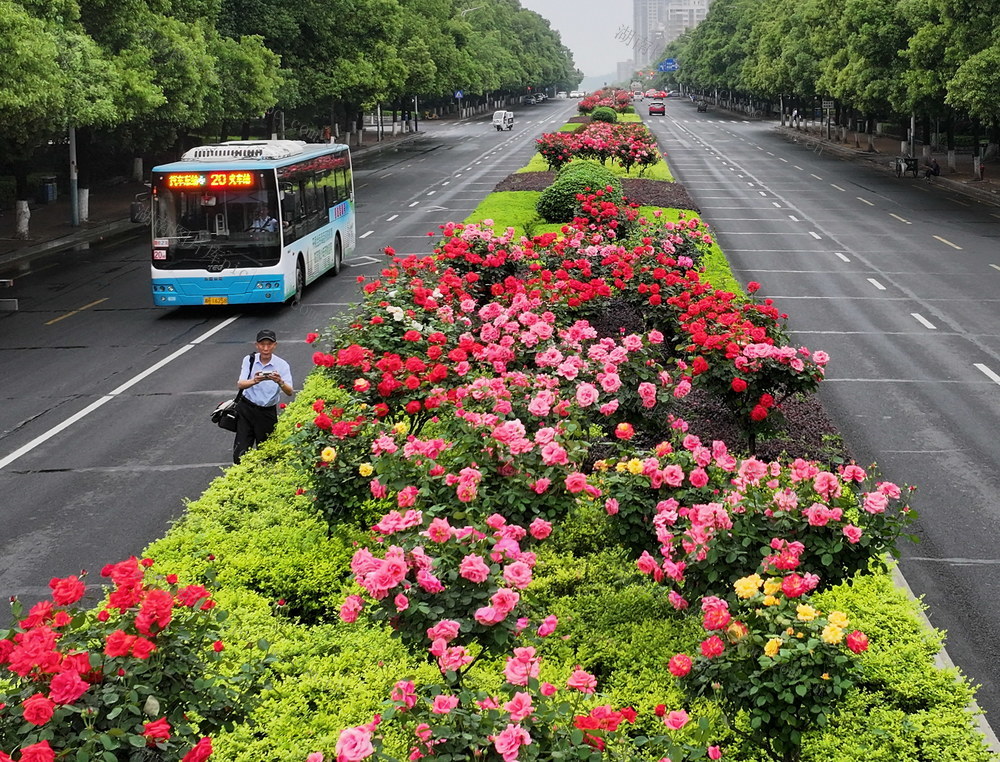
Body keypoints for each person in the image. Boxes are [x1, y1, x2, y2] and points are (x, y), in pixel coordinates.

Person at [233, 329, 293, 463]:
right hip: (247, 409)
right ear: (257, 345)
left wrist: (279, 381)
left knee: (267, 453)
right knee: (240, 452)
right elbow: (240, 384)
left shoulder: (282, 365)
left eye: (269, 344)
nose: (265, 348)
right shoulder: (249, 360)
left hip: (267, 412)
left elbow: (289, 392)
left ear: (274, 345)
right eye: (262, 344)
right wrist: (254, 380)